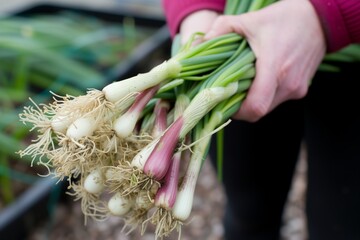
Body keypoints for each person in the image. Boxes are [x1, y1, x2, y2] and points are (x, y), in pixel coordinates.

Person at [162, 0, 360, 239]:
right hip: (242, 46)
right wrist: (196, 11)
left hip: (351, 56)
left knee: (342, 225)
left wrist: (331, 14)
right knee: (248, 215)